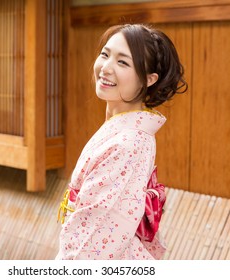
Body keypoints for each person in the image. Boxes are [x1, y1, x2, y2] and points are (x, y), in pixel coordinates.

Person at [56, 24, 187, 260]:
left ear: (149, 79)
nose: (105, 68)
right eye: (105, 55)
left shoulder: (128, 143)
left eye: (123, 62)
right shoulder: (123, 129)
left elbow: (96, 237)